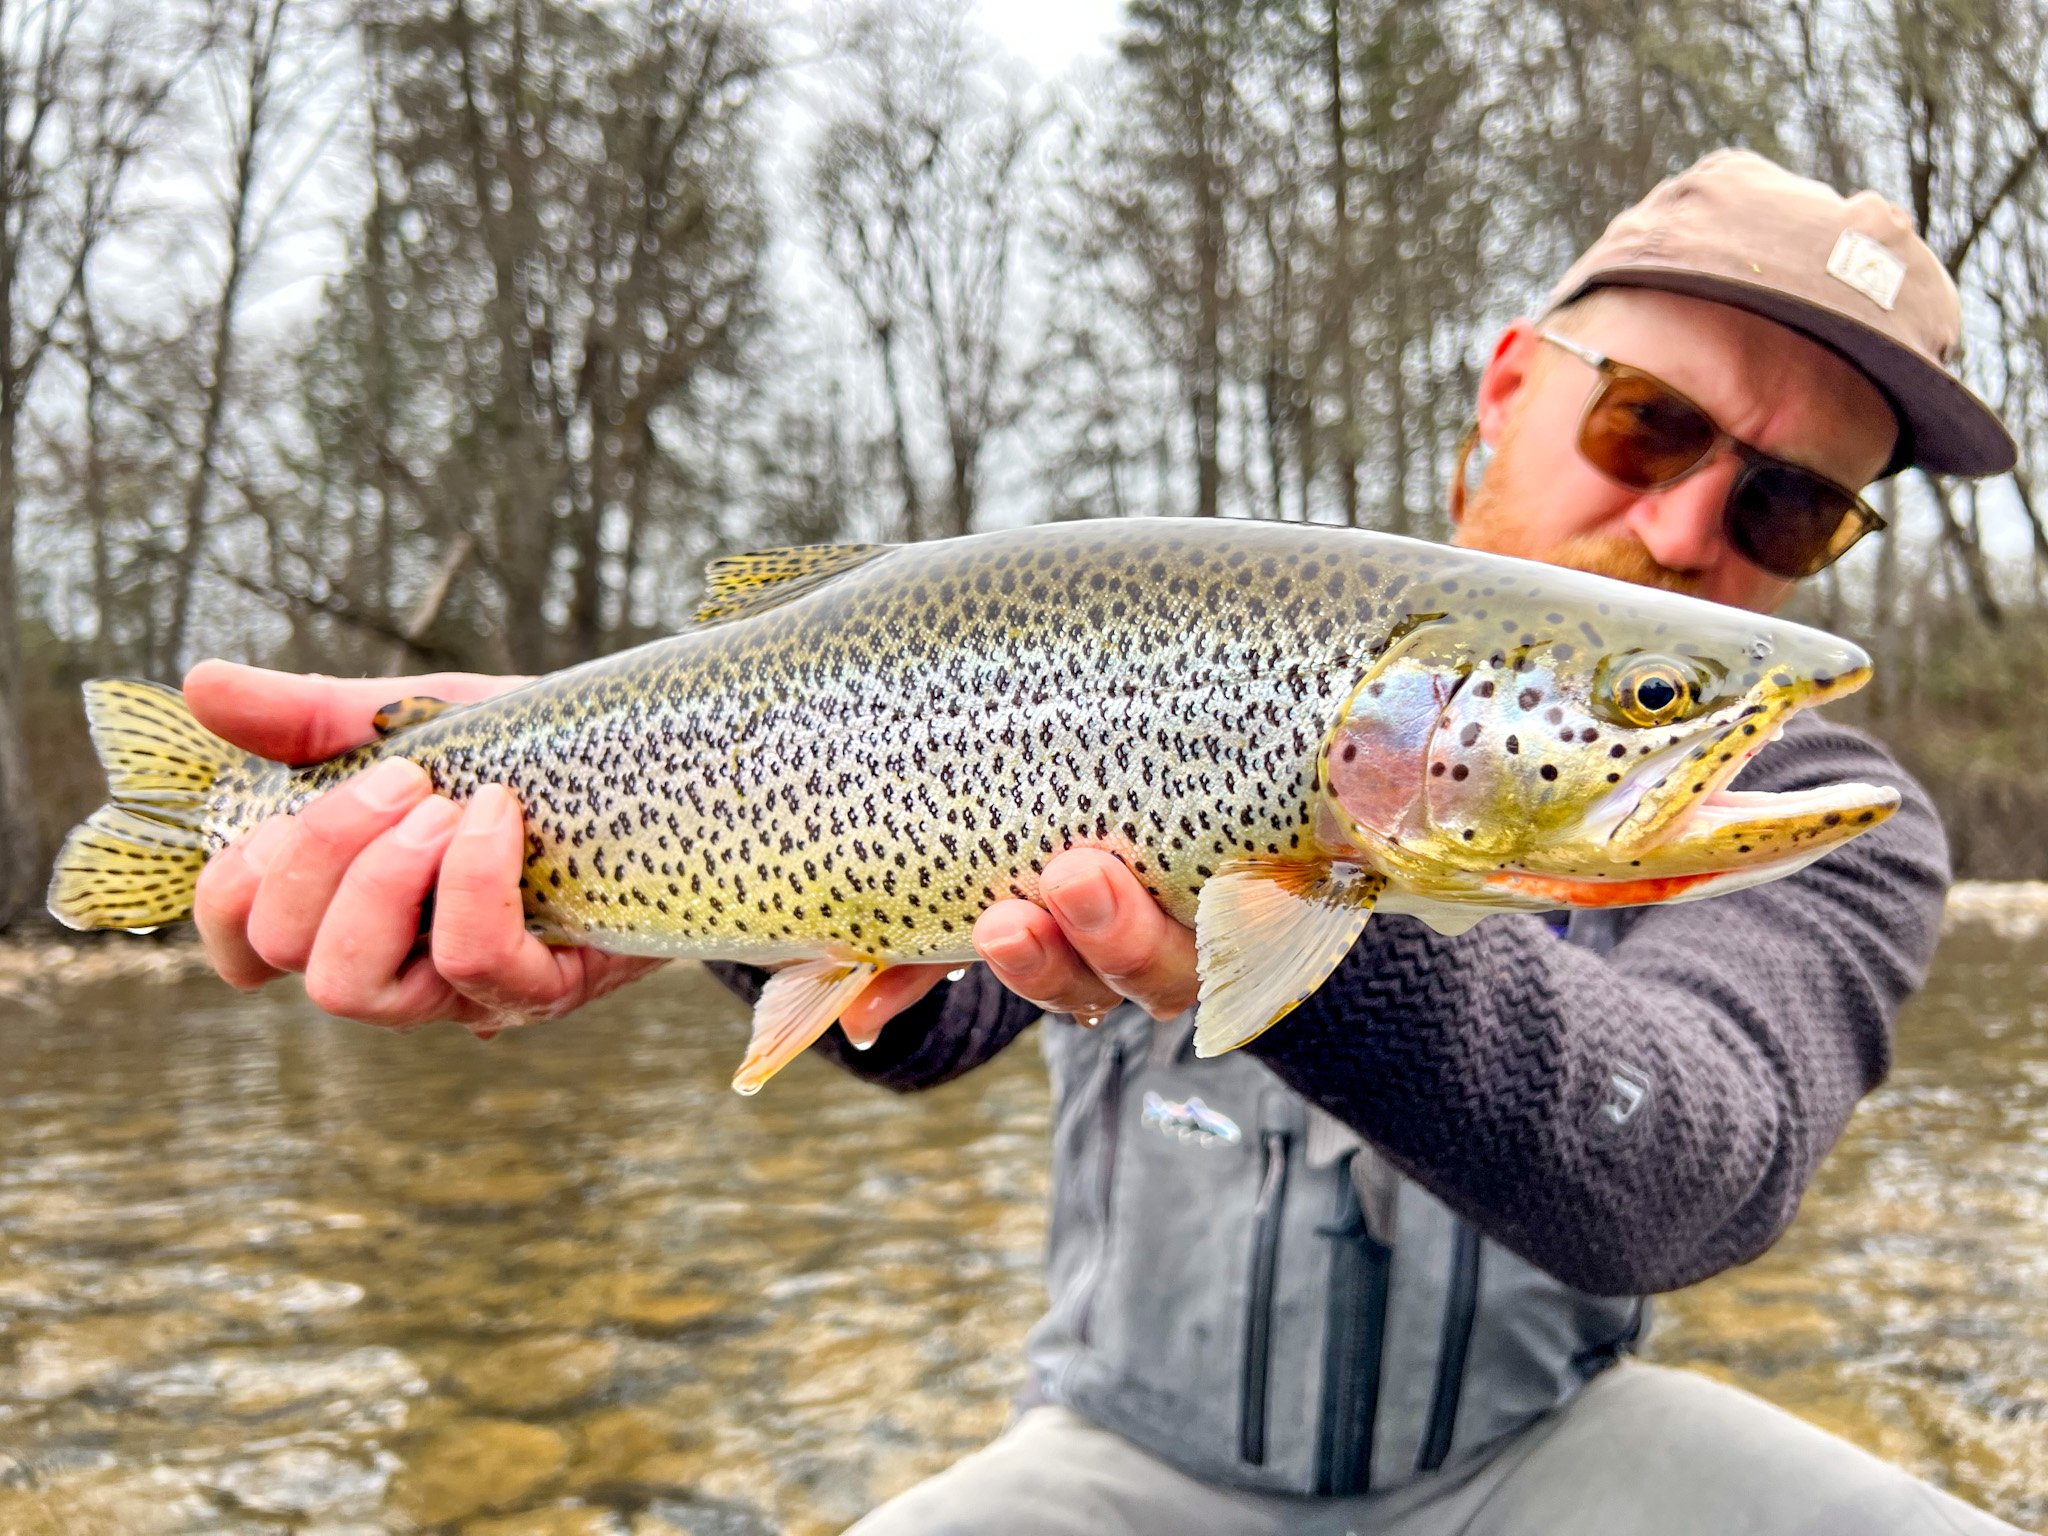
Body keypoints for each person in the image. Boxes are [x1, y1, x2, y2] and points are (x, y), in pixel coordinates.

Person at [181, 151, 2026, 1533]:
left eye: (1792, 507)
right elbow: (949, 1020)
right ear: (1507, 389)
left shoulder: (1804, 826)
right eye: (1652, 423)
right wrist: (666, 862)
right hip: (1119, 1466)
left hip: (1535, 1467)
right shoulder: (1179, 620)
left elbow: (1690, 1171)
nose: (1696, 525)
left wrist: (1322, 897)